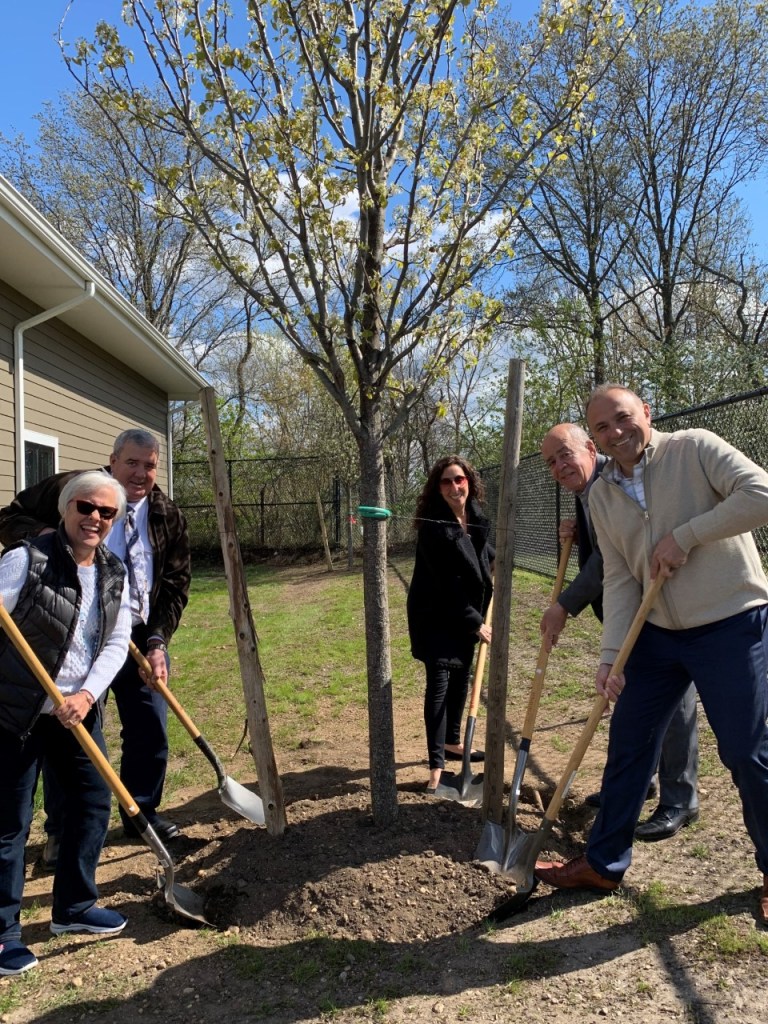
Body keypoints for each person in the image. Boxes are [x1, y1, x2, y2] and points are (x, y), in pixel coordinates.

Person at [535, 385, 768, 925]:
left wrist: (687, 535)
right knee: (629, 745)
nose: (615, 433)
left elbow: (760, 493)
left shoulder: (694, 447)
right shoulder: (601, 496)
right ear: (594, 439)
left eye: (622, 419)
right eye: (602, 428)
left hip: (730, 621)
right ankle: (603, 863)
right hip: (658, 634)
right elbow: (618, 578)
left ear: (646, 414)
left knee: (746, 751)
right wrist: (610, 656)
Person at [0, 429, 191, 856]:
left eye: (150, 465)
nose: (141, 473)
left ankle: (142, 814)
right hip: (75, 625)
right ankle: (61, 831)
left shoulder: (166, 513)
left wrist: (158, 640)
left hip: (138, 628)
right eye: (132, 463)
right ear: (113, 459)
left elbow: (177, 582)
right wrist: (50, 533)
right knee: (70, 726)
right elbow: (9, 516)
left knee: (149, 726)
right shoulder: (76, 488)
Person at [539, 423, 699, 840]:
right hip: (626, 613)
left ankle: (680, 799)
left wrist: (564, 606)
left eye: (565, 454)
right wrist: (573, 535)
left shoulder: (612, 481)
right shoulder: (586, 491)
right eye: (551, 462)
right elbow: (599, 551)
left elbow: (607, 566)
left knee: (675, 704)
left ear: (590, 449)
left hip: (660, 607)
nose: (559, 467)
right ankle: (639, 782)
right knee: (631, 700)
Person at [0, 471, 132, 976]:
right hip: (17, 712)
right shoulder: (26, 561)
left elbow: (117, 643)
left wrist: (85, 695)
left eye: (106, 512)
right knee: (9, 823)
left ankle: (73, 909)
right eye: (85, 507)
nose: (94, 518)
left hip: (75, 710)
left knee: (90, 805)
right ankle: (3, 934)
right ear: (64, 509)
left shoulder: (114, 572)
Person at [407, 456, 494, 793]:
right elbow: (447, 583)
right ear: (437, 488)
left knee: (461, 678)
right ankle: (436, 766)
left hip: (464, 613)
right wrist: (476, 622)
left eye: (459, 479)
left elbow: (480, 552)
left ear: (469, 482)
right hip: (436, 614)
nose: (454, 487)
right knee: (440, 684)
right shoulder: (434, 527)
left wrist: (494, 560)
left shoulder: (474, 517)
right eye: (446, 482)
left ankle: (454, 742)